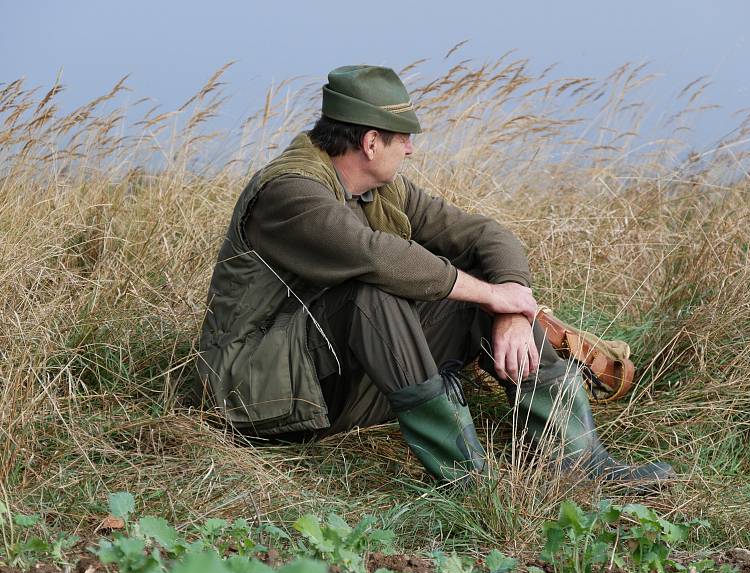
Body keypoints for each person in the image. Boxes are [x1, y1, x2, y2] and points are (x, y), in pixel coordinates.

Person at [196, 65, 674, 484]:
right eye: (403, 138)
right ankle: (468, 478)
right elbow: (378, 256)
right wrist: (490, 294)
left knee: (477, 289)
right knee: (375, 291)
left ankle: (576, 461)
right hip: (258, 393)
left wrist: (507, 305)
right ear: (369, 141)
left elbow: (486, 235)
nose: (410, 150)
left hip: (331, 382)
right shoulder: (291, 192)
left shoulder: (381, 191)